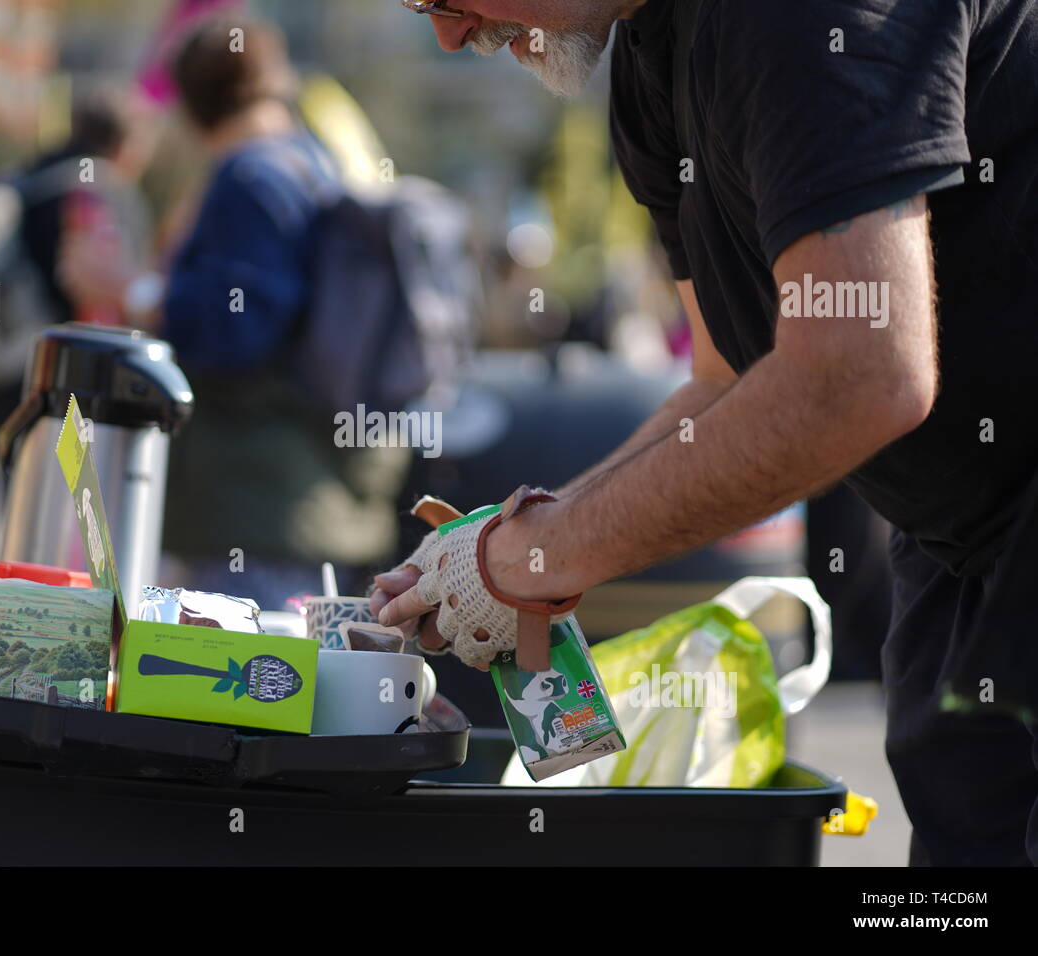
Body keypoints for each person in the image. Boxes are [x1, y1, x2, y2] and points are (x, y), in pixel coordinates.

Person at [373, 0, 1038, 866]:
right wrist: (509, 545)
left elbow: (858, 378)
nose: (448, 35)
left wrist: (531, 558)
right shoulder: (650, 58)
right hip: (962, 545)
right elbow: (723, 384)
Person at [61, 17, 410, 608]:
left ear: (192, 103)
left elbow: (236, 331)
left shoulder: (247, 178)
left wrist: (132, 290)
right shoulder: (311, 161)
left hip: (254, 506)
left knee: (229, 687)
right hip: (311, 496)